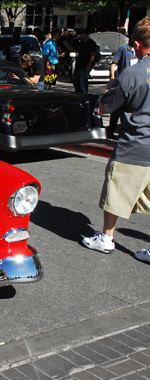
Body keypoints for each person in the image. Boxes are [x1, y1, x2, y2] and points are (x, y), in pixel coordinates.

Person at [82, 16, 150, 262]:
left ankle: (106, 238)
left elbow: (107, 106)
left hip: (136, 145)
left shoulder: (132, 74)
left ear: (137, 45)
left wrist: (110, 89)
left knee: (115, 191)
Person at [108, 39, 136, 136]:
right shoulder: (124, 49)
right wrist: (112, 78)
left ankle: (125, 132)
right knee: (116, 107)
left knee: (128, 108)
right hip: (122, 82)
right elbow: (113, 63)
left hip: (133, 83)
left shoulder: (140, 51)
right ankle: (110, 130)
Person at [72, 29, 97, 93]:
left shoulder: (91, 43)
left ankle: (84, 97)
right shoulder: (81, 43)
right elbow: (75, 50)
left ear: (85, 34)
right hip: (78, 65)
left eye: (81, 34)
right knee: (76, 82)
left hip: (85, 66)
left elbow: (93, 54)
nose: (80, 36)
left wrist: (89, 65)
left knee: (83, 84)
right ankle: (77, 96)